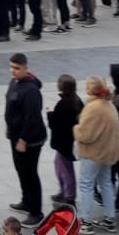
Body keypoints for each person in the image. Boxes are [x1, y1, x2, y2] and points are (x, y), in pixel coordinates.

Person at [73, 75, 119, 234]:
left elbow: (84, 134)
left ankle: (86, 221)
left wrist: (75, 129)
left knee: (86, 184)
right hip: (107, 152)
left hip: (93, 153)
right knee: (106, 183)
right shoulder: (109, 104)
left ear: (90, 89)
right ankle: (109, 219)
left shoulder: (92, 107)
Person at [4, 54, 45, 225]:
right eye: (11, 67)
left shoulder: (31, 91)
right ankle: (26, 200)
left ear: (25, 69)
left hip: (30, 140)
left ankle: (36, 211)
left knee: (30, 174)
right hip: (15, 136)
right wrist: (9, 128)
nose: (13, 71)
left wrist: (23, 140)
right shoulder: (14, 83)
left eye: (17, 68)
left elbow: (32, 117)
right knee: (21, 171)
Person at [47, 74, 81, 207]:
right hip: (69, 141)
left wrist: (50, 114)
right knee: (60, 166)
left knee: (65, 169)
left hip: (64, 143)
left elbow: (55, 124)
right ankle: (64, 191)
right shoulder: (76, 100)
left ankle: (69, 195)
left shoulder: (63, 103)